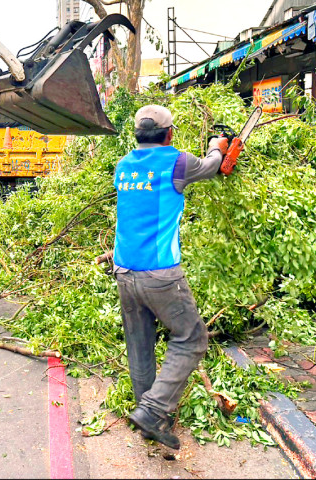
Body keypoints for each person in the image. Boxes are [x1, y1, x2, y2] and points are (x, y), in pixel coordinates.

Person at [113, 105, 228, 450]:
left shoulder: (123, 166)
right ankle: (153, 410)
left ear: (137, 134)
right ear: (170, 134)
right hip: (160, 274)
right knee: (192, 338)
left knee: (139, 344)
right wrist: (216, 145)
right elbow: (211, 167)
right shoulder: (177, 161)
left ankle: (150, 418)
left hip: (123, 271)